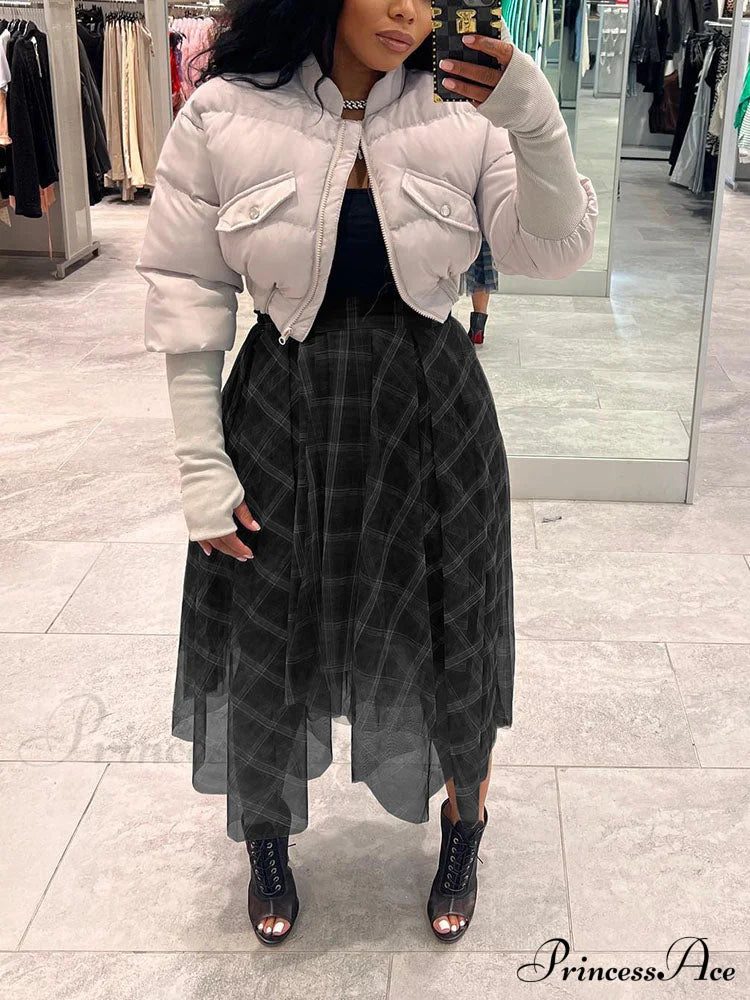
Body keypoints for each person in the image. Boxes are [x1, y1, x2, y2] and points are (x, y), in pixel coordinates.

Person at [135, 0, 597, 947]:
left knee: (451, 632)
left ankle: (464, 827)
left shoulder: (466, 110)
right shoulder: (224, 111)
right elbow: (187, 293)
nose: (407, 11)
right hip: (281, 410)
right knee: (267, 634)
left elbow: (554, 250)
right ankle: (267, 841)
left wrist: (532, 115)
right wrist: (199, 466)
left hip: (434, 412)